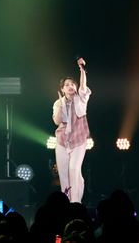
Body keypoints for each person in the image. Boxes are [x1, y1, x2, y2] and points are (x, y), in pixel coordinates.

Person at [53, 57, 91, 203]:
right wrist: (61, 105)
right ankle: (66, 202)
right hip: (62, 141)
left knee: (74, 169)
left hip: (79, 139)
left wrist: (82, 70)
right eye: (67, 85)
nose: (70, 86)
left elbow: (83, 86)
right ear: (62, 89)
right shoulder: (58, 103)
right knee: (64, 174)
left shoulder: (81, 98)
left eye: (72, 84)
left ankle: (75, 203)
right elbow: (57, 121)